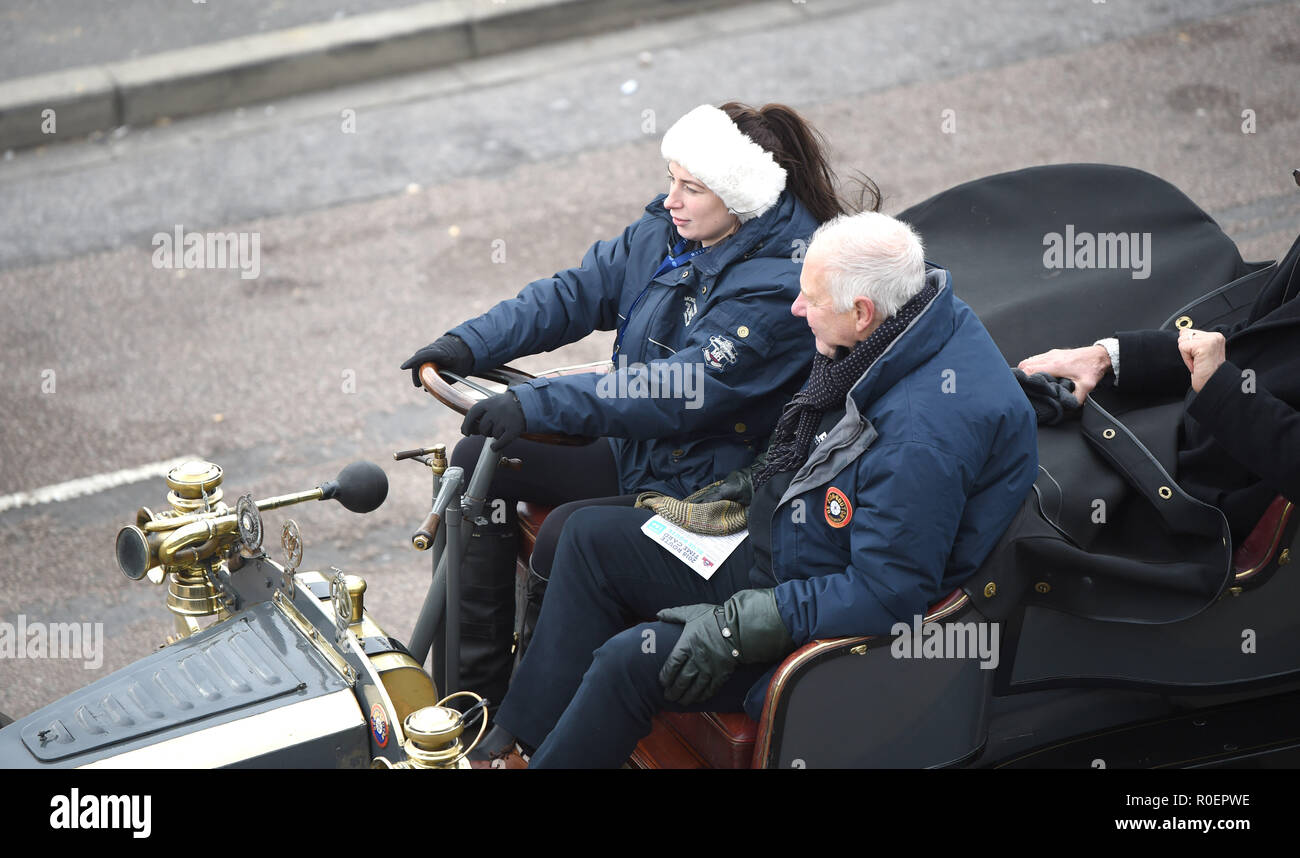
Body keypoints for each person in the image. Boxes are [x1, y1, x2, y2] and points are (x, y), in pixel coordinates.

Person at [468, 210, 1039, 767]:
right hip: (793, 543)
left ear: (862, 312)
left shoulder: (919, 437)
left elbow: (888, 594)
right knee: (590, 538)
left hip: (816, 612)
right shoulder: (910, 315)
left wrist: (736, 628)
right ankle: (517, 744)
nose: (796, 308)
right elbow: (825, 449)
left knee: (631, 660)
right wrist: (750, 483)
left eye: (811, 300)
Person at [400, 103, 875, 705]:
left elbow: (675, 391)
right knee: (477, 457)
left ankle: (533, 718)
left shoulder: (780, 284)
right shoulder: (671, 229)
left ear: (741, 196)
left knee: (568, 535)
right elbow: (575, 294)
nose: (671, 198)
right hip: (648, 453)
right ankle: (468, 700)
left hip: (712, 487)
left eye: (691, 187)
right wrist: (467, 344)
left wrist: (536, 402)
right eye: (671, 178)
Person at [1017, 229, 1300, 544]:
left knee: (1030, 504)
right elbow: (1254, 336)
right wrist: (1105, 357)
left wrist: (1223, 388)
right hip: (1183, 438)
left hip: (1207, 505)